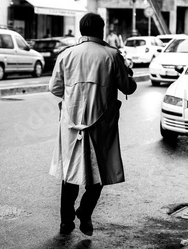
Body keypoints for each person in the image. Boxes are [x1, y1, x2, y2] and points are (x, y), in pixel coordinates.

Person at [48, 13, 137, 236]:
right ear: (102, 30)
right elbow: (128, 87)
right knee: (98, 173)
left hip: (71, 124)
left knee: (70, 174)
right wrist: (129, 74)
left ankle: (65, 223)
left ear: (80, 30)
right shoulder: (112, 55)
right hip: (101, 126)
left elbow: (55, 89)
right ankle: (85, 212)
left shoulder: (66, 55)